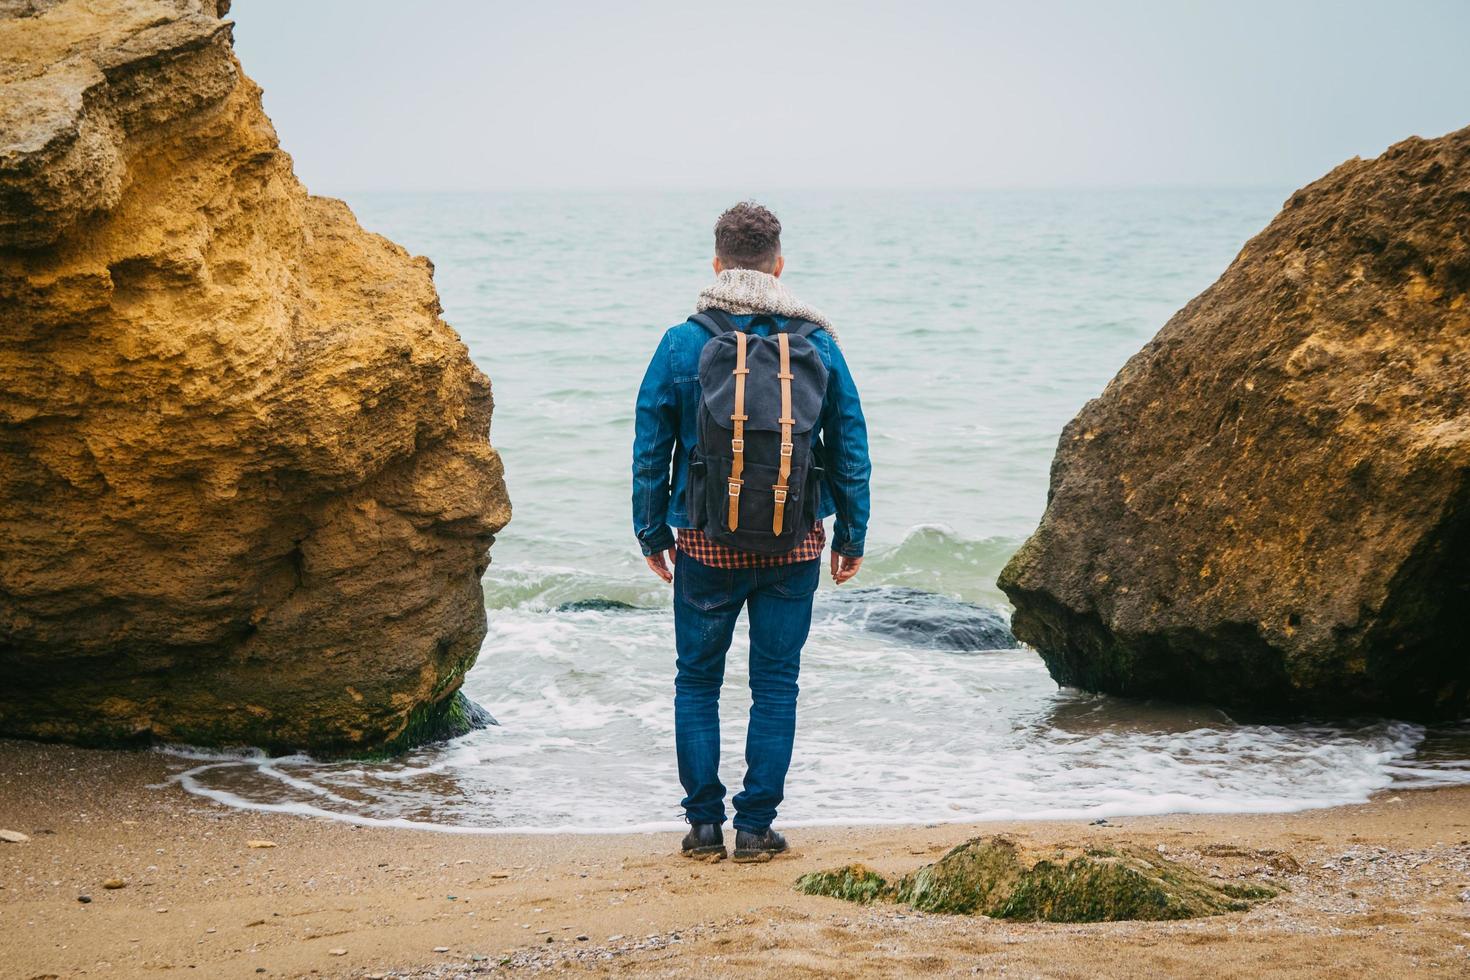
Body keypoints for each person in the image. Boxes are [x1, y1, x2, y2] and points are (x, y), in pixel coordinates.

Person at [631, 201, 872, 862]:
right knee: (776, 686)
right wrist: (851, 535)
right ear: (778, 266)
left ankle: (703, 827)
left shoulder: (683, 343)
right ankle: (756, 828)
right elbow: (849, 444)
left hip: (706, 546)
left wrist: (651, 532)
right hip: (793, 547)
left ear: (717, 263)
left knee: (696, 682)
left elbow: (651, 448)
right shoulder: (816, 342)